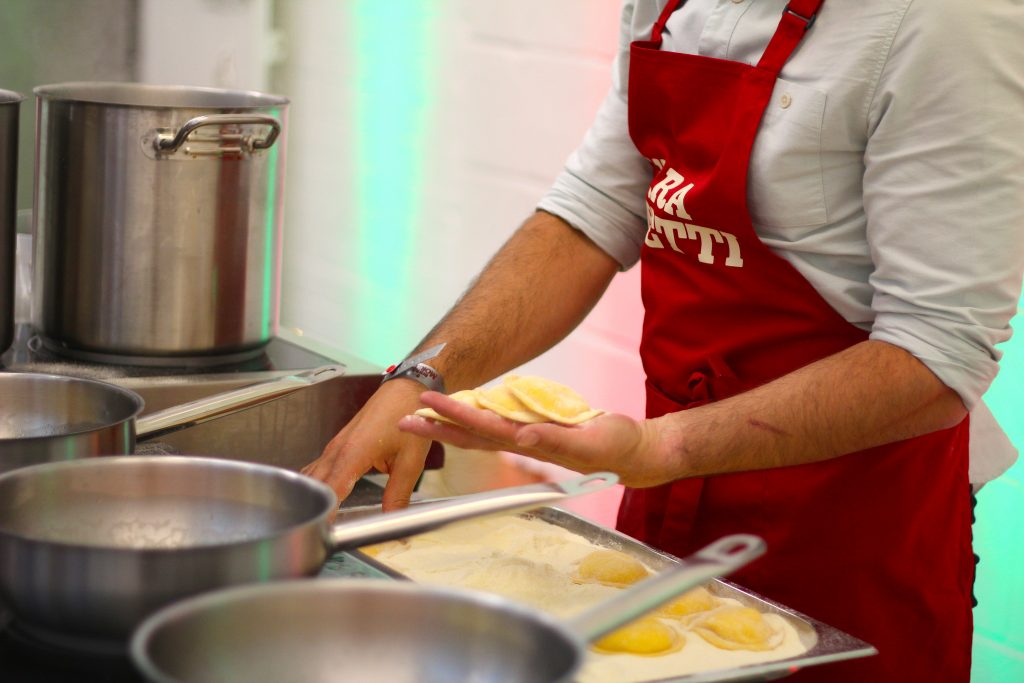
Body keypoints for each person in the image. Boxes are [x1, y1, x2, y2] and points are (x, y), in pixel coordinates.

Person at [302, 1, 1024, 680]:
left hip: (850, 540)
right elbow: (594, 208)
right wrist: (425, 374)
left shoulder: (947, 21)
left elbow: (935, 352)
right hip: (666, 497)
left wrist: (663, 447)